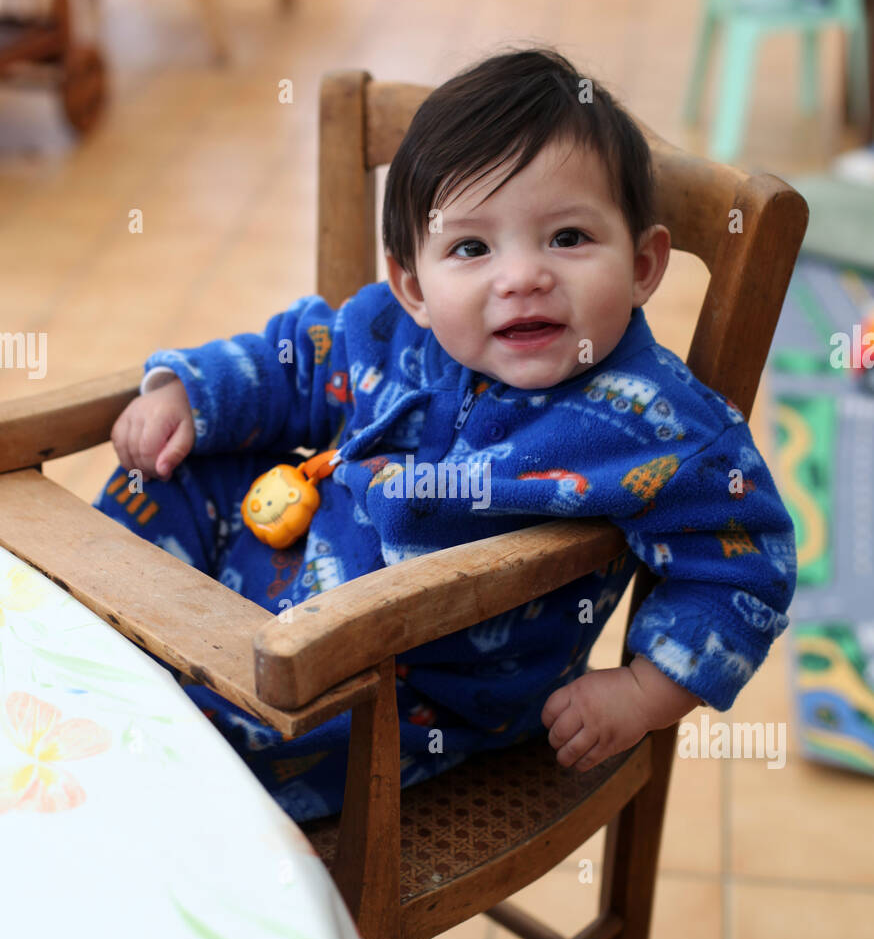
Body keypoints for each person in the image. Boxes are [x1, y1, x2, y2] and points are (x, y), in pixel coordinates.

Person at [93, 46, 797, 822]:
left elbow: (747, 560)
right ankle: (98, 654)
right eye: (472, 248)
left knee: (189, 754)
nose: (521, 276)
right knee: (159, 475)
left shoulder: (655, 425)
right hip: (286, 571)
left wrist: (641, 692)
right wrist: (186, 393)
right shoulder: (397, 329)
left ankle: (142, 753)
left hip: (409, 698)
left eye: (567, 238)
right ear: (415, 285)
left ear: (642, 265)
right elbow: (297, 359)